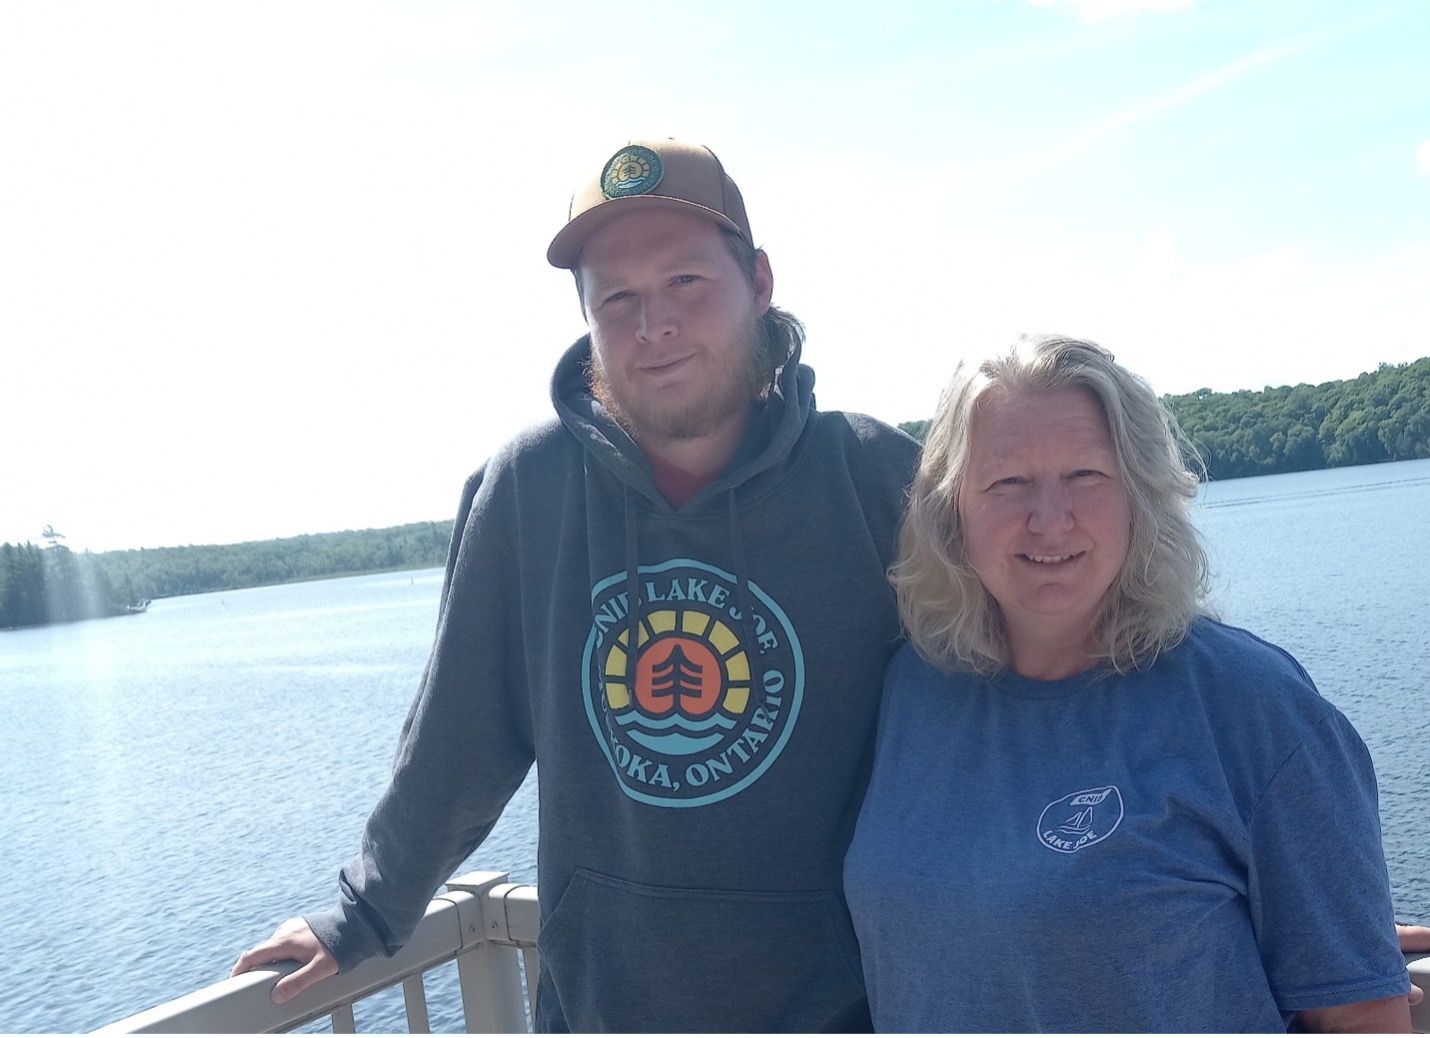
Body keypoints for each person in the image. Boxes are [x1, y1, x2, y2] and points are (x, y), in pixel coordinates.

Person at [231, 138, 921, 1031]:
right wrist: (366, 911)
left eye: (685, 284)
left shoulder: (874, 478)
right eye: (618, 299)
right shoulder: (530, 489)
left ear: (758, 282)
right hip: (604, 1010)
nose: (653, 324)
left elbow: (994, 701)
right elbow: (461, 732)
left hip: (839, 1008)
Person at [843, 334, 1415, 1031]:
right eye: (1007, 482)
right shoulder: (913, 689)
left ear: (1141, 494)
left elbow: (1361, 1014)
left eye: (1086, 475)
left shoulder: (1254, 709)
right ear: (951, 511)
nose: (1049, 518)